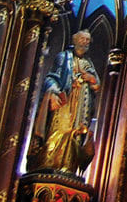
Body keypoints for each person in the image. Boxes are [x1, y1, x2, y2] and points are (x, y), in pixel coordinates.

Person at [30, 29, 102, 175]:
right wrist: (53, 93)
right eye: (83, 39)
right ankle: (48, 165)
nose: (86, 42)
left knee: (74, 137)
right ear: (75, 40)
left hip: (80, 108)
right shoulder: (64, 58)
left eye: (88, 40)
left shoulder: (88, 64)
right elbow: (51, 78)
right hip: (64, 104)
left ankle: (68, 168)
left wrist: (90, 78)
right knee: (58, 133)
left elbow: (96, 85)